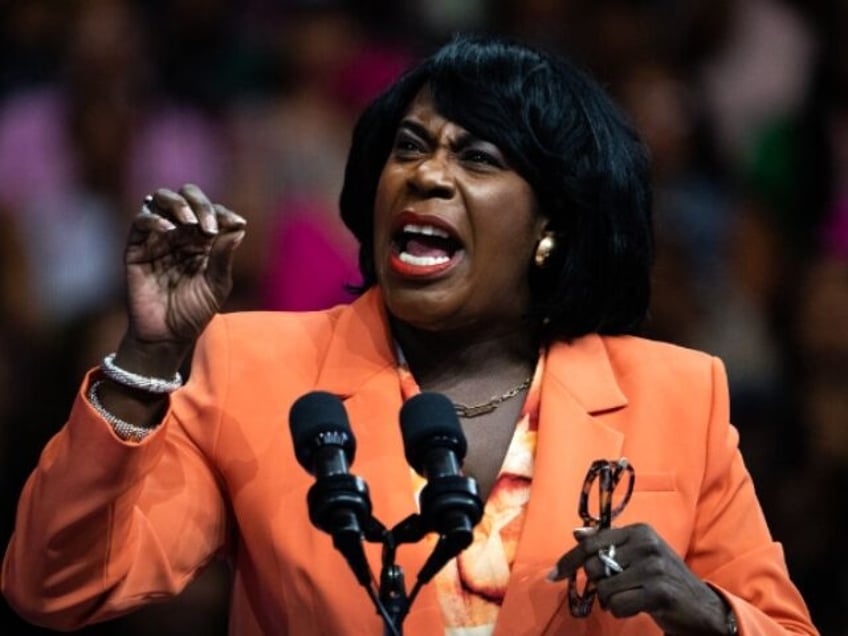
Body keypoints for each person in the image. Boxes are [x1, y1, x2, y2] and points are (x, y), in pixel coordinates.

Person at [1, 34, 817, 635]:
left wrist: (712, 613)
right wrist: (147, 356)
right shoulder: (258, 370)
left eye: (480, 158)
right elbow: (56, 585)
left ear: (552, 226)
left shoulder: (679, 395)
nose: (428, 174)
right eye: (410, 147)